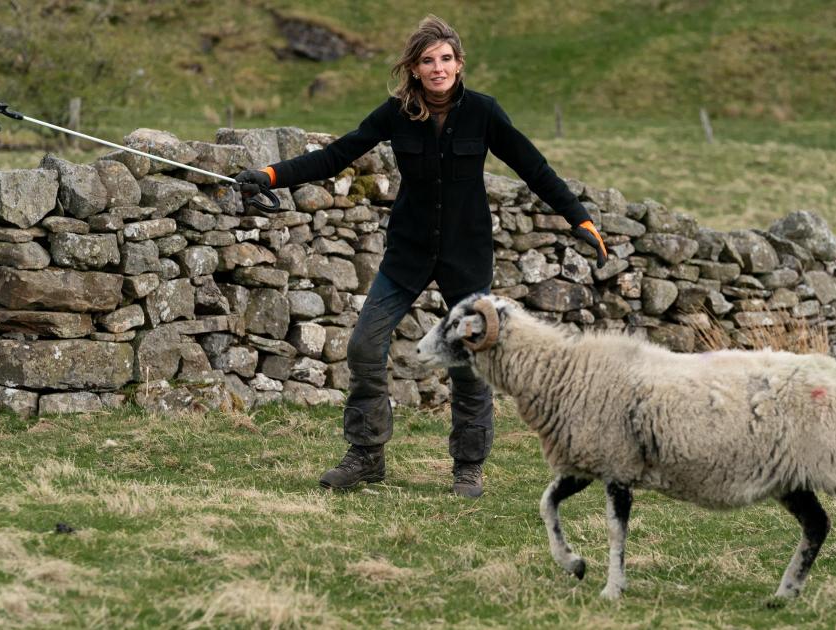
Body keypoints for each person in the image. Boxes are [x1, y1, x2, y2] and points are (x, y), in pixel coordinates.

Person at [235, 14, 607, 498]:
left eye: (447, 59)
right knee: (365, 345)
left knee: (469, 360)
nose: (439, 68)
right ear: (413, 69)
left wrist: (579, 218)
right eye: (428, 61)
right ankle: (366, 455)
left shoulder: (484, 112)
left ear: (459, 64)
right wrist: (268, 175)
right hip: (407, 253)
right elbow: (335, 156)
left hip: (466, 256)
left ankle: (468, 467)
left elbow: (535, 169)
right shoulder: (394, 114)